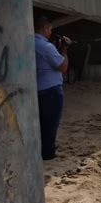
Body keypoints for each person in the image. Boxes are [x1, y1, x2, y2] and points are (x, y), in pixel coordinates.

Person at [34, 16, 71, 160]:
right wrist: (64, 49)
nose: (50, 32)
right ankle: (48, 153)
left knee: (42, 122)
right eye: (49, 29)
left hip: (37, 88)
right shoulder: (46, 46)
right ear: (44, 28)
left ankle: (43, 148)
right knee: (51, 123)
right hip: (51, 89)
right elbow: (63, 66)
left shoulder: (28, 42)